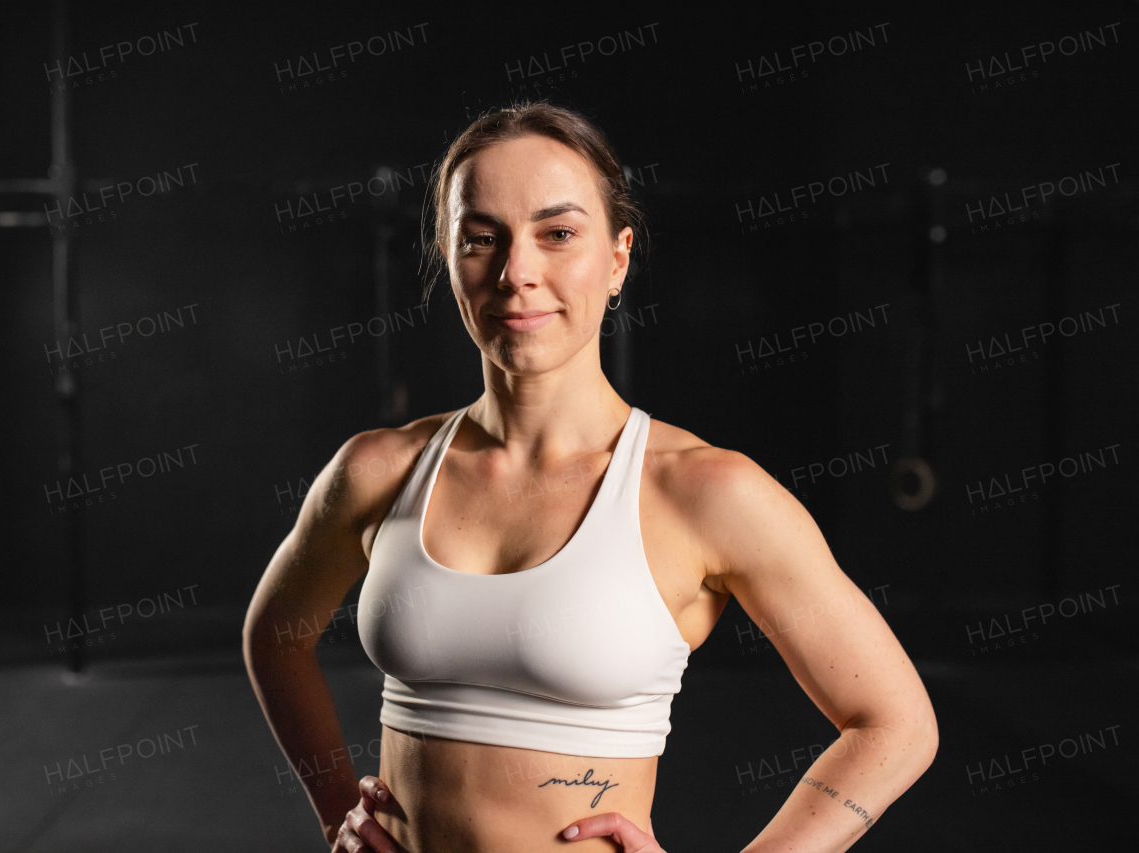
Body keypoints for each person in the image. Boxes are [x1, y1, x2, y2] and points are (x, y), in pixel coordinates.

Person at [243, 101, 938, 853]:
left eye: (558, 234)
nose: (517, 273)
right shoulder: (378, 469)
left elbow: (896, 725)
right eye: (482, 238)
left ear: (617, 259)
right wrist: (333, 807)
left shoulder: (704, 491)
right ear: (448, 258)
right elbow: (274, 636)